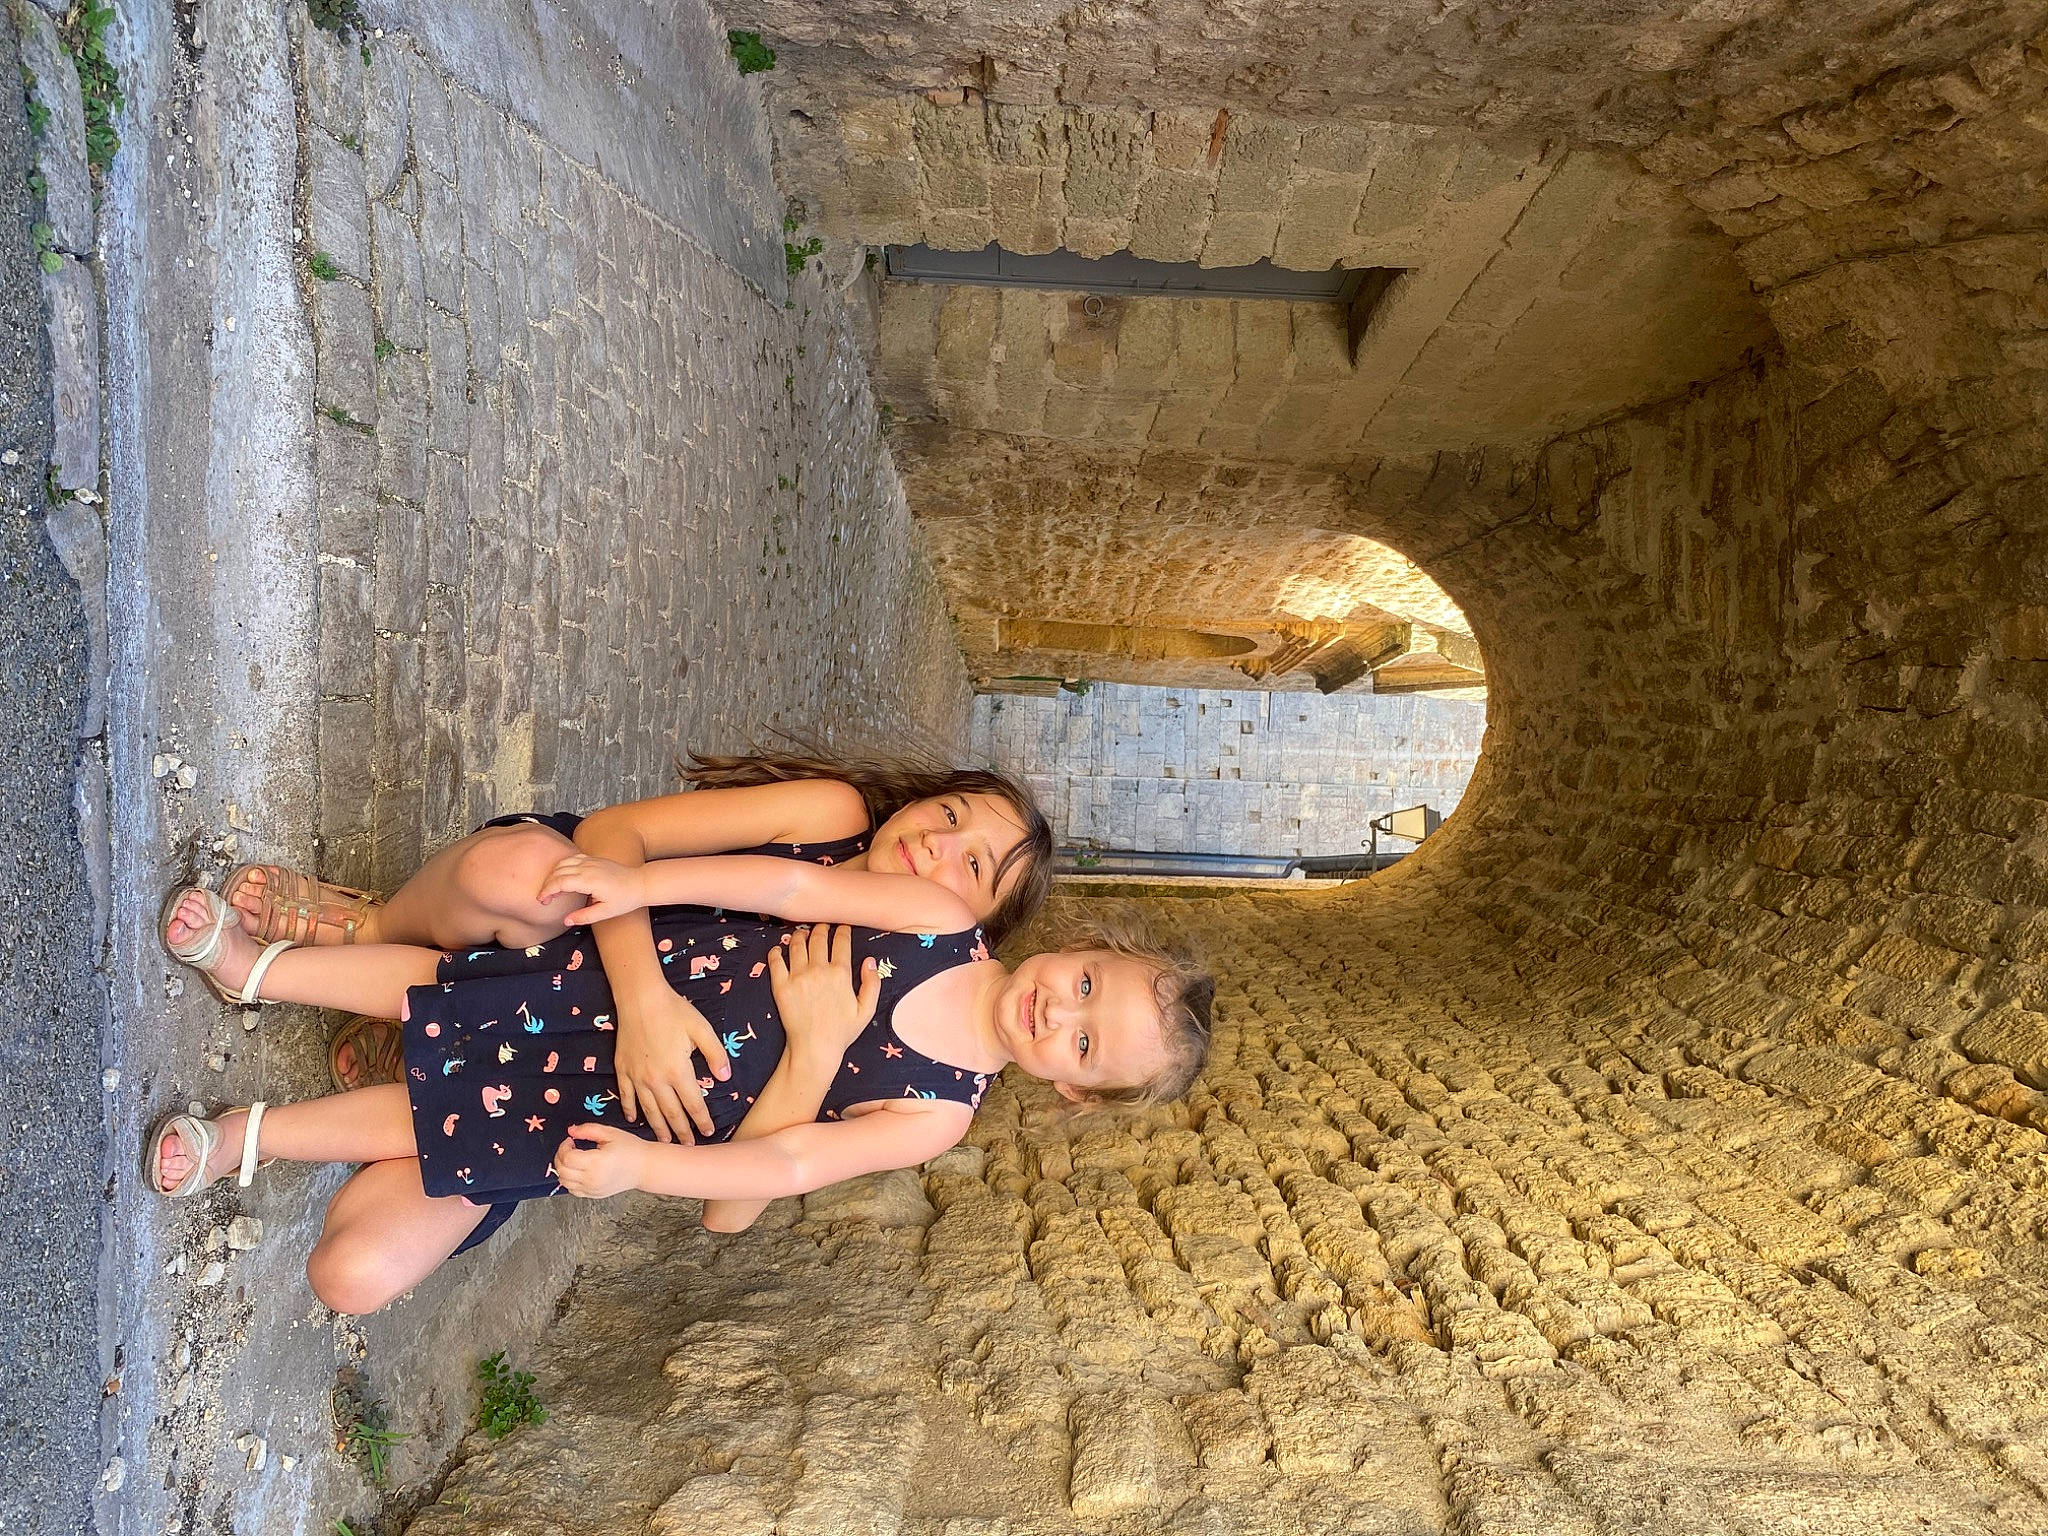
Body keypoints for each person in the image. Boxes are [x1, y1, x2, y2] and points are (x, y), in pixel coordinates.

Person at [149, 847, 1212, 1315]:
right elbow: (793, 883)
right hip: (652, 988)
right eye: (1083, 984)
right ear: (1080, 944)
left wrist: (648, 1165)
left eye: (1081, 1046)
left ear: (1074, 1093)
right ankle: (258, 969)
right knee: (451, 987)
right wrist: (638, 885)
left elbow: (791, 1157)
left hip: (632, 1106)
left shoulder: (934, 1114)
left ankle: (246, 1136)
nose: (1056, 1013)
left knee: (444, 1123)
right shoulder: (945, 924)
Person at [220, 749, 1055, 1144]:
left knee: (358, 1269)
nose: (936, 847)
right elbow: (612, 834)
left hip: (576, 1079)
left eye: (971, 866)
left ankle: (418, 1045)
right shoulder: (829, 818)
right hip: (581, 923)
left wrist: (809, 1053)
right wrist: (648, 1002)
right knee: (517, 871)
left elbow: (755, 1172)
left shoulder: (892, 1012)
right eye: (950, 816)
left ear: (973, 933)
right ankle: (372, 926)